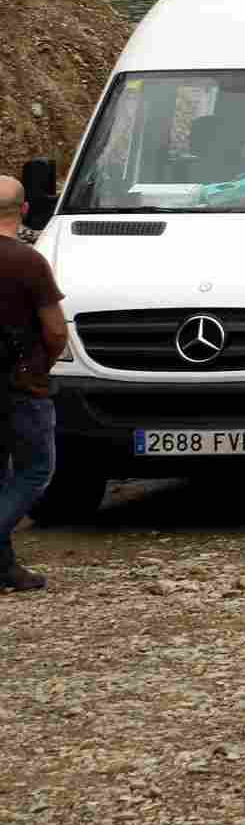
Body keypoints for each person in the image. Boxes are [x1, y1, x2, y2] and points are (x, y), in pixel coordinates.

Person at [0, 176, 70, 593]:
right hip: (20, 383)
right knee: (34, 471)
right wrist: (40, 368)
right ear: (24, 211)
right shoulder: (28, 261)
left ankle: (5, 568)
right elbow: (56, 331)